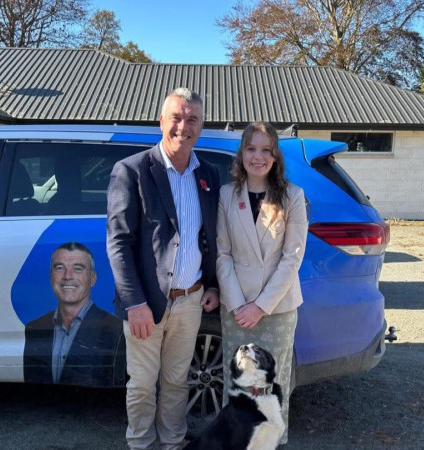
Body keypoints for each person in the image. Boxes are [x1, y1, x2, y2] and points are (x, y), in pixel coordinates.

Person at [106, 87, 220, 450]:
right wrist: (134, 302)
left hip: (191, 300)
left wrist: (213, 285)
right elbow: (119, 243)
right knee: (141, 383)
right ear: (161, 121)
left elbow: (212, 237)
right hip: (146, 303)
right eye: (177, 117)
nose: (183, 127)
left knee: (175, 380)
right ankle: (140, 444)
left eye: (192, 120)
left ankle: (172, 442)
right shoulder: (133, 171)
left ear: (200, 127)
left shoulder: (209, 175)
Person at [216, 122, 308, 445]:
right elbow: (223, 254)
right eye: (251, 149)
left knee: (272, 387)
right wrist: (240, 304)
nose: (258, 157)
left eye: (265, 150)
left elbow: (292, 258)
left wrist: (260, 306)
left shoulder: (292, 197)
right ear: (242, 153)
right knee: (239, 385)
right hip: (236, 310)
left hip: (276, 310)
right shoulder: (228, 195)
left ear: (275, 155)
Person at [23, 242, 125, 387]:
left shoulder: (114, 329)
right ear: (51, 277)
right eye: (59, 268)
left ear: (93, 279)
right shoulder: (34, 328)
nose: (67, 276)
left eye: (78, 269)